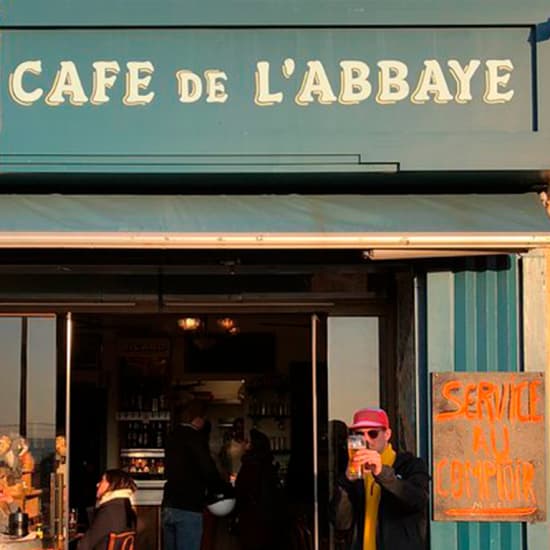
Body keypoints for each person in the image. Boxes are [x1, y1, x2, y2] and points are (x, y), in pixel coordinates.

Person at [330, 407, 429, 550]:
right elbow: (340, 522)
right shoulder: (354, 472)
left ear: (387, 434)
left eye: (373, 433)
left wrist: (382, 472)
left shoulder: (410, 465)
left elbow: (417, 501)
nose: (366, 440)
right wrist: (346, 482)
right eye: (359, 434)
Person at [162, 399, 224, 550]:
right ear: (198, 419)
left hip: (169, 503)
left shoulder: (172, 435)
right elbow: (208, 468)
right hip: (188, 505)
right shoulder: (195, 437)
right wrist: (219, 487)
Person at [234, 429, 286, 550]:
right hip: (268, 519)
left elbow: (241, 490)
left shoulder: (250, 464)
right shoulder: (268, 464)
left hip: (252, 518)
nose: (243, 443)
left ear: (253, 445)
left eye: (247, 442)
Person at [76, 468, 137, 550]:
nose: (97, 484)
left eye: (102, 480)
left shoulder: (109, 510)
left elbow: (83, 546)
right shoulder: (126, 508)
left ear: (112, 484)